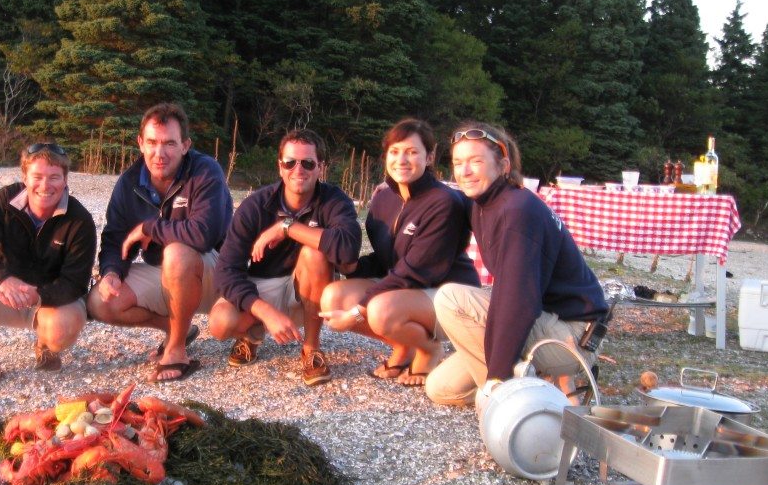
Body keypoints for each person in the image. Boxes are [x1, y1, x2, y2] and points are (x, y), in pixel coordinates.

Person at [425, 121, 608, 406]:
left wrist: (496, 379)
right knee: (441, 388)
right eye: (458, 162)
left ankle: (512, 400)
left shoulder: (517, 211)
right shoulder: (481, 203)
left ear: (503, 165)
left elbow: (517, 301)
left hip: (571, 338)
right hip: (541, 321)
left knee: (451, 298)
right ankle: (539, 384)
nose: (465, 171)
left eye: (476, 161)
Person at [319, 118, 479, 386]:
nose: (401, 160)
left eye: (412, 152)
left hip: (447, 292)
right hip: (407, 287)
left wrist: (357, 312)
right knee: (333, 296)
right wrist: (355, 269)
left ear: (429, 157)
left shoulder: (443, 203)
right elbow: (388, 260)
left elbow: (413, 270)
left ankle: (429, 349)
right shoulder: (383, 198)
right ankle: (405, 346)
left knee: (380, 309)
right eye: (394, 152)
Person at [87, 103, 232, 383]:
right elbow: (116, 236)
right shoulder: (129, 182)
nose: (159, 153)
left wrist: (150, 227)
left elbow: (204, 234)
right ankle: (177, 328)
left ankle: (176, 351)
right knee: (100, 302)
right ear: (140, 143)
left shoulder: (205, 171)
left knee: (177, 251)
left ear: (185, 145)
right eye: (152, 142)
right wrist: (112, 272)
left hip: (216, 273)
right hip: (168, 273)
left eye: (169, 143)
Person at [209, 128, 361, 386]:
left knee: (315, 253)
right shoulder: (255, 206)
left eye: (307, 163)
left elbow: (349, 250)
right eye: (290, 162)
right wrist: (265, 311)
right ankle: (252, 334)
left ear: (320, 167)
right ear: (280, 167)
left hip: (308, 291)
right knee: (220, 323)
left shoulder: (334, 200)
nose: (298, 169)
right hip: (263, 286)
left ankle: (311, 348)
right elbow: (225, 271)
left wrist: (287, 228)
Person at [0, 142, 96, 391]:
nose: (45, 185)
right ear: (24, 177)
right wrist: (3, 279)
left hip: (52, 300)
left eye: (54, 177)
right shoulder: (4, 200)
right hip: (8, 293)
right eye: (37, 176)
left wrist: (38, 295)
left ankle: (45, 345)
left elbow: (76, 282)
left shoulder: (79, 220)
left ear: (65, 180)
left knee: (60, 331)